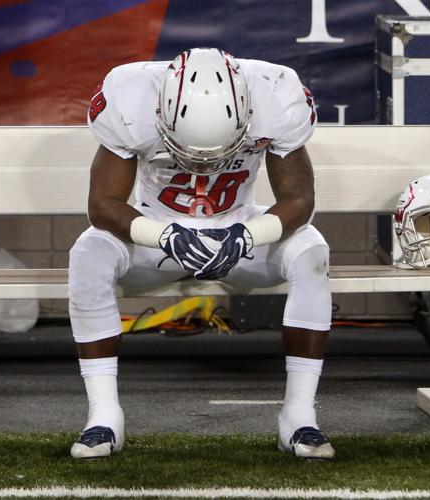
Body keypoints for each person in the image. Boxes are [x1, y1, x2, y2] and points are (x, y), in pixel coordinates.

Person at [68, 48, 333, 460]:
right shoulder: (130, 95)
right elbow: (102, 205)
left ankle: (299, 416)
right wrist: (162, 235)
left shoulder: (276, 94)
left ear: (248, 113)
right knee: (89, 252)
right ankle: (103, 416)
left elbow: (299, 200)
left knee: (311, 249)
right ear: (161, 112)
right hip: (157, 233)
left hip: (239, 228)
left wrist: (246, 235)